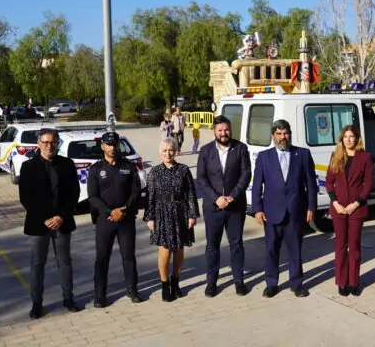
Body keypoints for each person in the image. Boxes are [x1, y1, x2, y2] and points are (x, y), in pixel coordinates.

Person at [18, 129, 82, 319]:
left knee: (64, 262)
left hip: (62, 222)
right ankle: (37, 303)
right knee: (37, 264)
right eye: (45, 142)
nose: (49, 146)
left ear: (58, 143)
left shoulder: (67, 165)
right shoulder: (28, 167)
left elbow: (74, 194)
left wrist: (61, 217)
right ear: (38, 144)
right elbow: (26, 198)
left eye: (53, 142)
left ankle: (68, 298)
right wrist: (44, 219)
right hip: (39, 225)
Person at [252, 120, 317, 298]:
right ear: (273, 136)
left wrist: (311, 206)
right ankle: (271, 283)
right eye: (279, 134)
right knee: (271, 250)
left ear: (290, 134)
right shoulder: (264, 157)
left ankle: (297, 284)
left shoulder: (302, 154)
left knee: (295, 249)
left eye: (286, 133)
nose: (283, 137)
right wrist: (257, 209)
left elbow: (311, 184)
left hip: (296, 212)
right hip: (271, 213)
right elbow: (257, 185)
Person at [196, 115, 252, 297]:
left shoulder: (241, 148)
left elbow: (246, 175)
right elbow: (202, 179)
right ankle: (211, 282)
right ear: (214, 131)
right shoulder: (205, 151)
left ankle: (238, 281)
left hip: (235, 207)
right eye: (220, 130)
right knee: (212, 246)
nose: (223, 133)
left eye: (226, 129)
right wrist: (216, 198)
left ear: (230, 130)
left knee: (236, 244)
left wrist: (232, 196)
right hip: (213, 208)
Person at [88, 132, 145, 307]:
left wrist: (124, 209)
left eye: (115, 144)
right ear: (103, 146)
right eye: (109, 145)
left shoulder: (129, 166)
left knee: (128, 256)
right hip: (105, 220)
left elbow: (136, 191)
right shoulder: (96, 169)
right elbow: (92, 196)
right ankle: (100, 295)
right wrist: (109, 211)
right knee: (102, 258)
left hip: (126, 218)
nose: (113, 148)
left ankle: (132, 289)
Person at [143, 137, 200, 302]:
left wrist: (192, 214)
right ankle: (164, 284)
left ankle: (176, 282)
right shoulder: (154, 171)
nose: (168, 153)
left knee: (179, 250)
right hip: (161, 213)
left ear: (175, 151)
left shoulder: (183, 169)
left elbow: (190, 193)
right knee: (165, 251)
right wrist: (150, 217)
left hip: (180, 212)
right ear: (160, 153)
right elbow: (150, 196)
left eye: (171, 150)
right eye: (165, 150)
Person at [324, 125, 374, 297]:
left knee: (354, 247)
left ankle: (354, 282)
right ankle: (341, 281)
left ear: (357, 138)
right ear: (341, 139)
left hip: (356, 209)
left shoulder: (365, 157)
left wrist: (356, 203)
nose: (348, 139)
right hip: (338, 209)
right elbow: (329, 182)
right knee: (340, 246)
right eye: (345, 136)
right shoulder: (336, 156)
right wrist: (335, 203)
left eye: (351, 136)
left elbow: (369, 183)